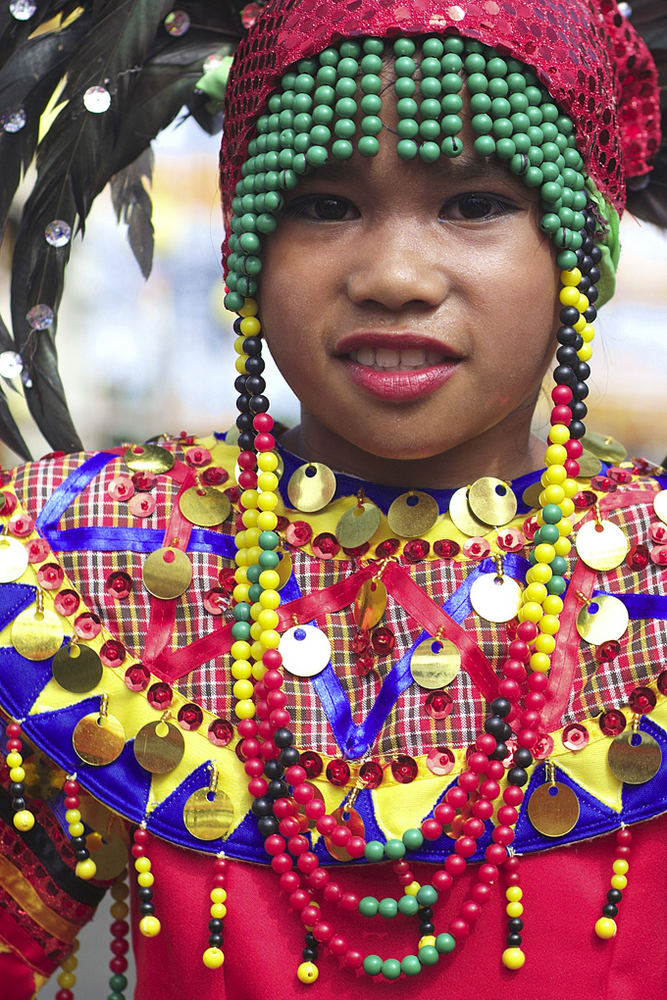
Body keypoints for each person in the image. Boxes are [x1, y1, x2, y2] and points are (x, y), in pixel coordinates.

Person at [0, 1, 665, 998]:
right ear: (246, 253)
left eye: (474, 203)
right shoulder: (88, 567)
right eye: (323, 204)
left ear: (579, 246)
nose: (393, 276)